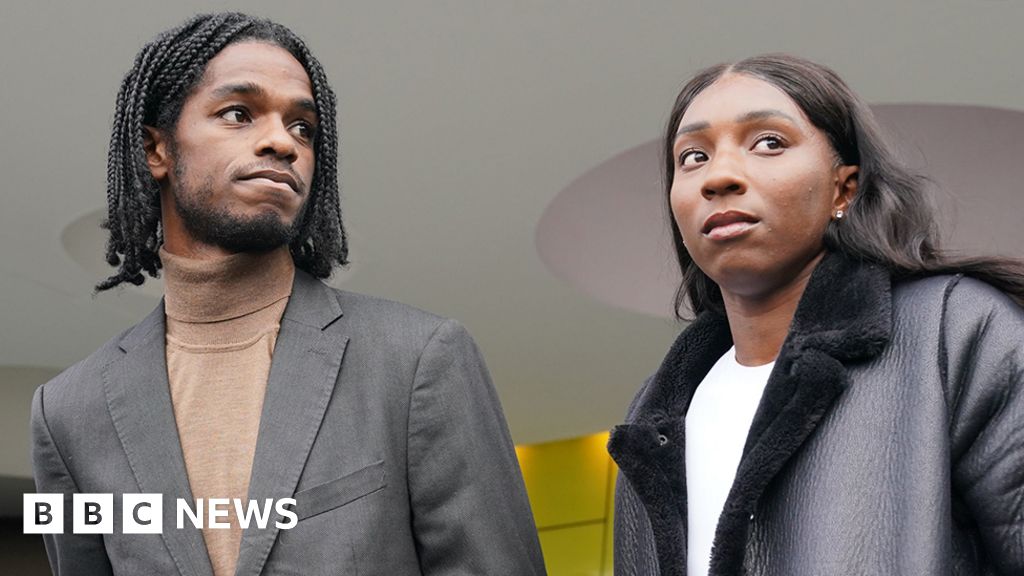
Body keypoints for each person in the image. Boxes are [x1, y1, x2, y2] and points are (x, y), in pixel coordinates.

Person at [30, 13, 545, 576]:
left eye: (303, 127)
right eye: (238, 114)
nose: (282, 141)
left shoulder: (420, 359)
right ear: (157, 149)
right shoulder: (66, 413)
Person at [607, 54, 1024, 576]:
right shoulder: (656, 411)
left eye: (769, 143)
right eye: (692, 157)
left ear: (843, 188)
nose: (719, 177)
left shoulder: (957, 331)